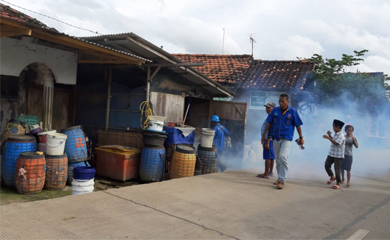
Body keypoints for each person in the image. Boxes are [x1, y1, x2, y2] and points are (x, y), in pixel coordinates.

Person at [261, 94, 304, 189]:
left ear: (287, 101)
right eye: (279, 101)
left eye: (283, 101)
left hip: (287, 138)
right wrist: (264, 135)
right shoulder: (275, 111)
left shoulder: (292, 111)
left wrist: (301, 137)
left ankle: (282, 180)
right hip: (276, 138)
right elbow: (268, 123)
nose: (281, 103)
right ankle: (280, 177)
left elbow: (298, 125)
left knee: (283, 157)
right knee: (278, 160)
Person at [323, 119, 346, 190]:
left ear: (338, 127)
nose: (333, 128)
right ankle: (332, 176)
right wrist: (330, 135)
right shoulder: (336, 134)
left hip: (338, 155)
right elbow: (334, 140)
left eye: (334, 126)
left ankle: (338, 184)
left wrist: (328, 138)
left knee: (337, 169)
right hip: (332, 153)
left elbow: (336, 143)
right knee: (327, 165)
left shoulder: (341, 135)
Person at [257, 101, 276, 179]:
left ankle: (266, 173)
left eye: (268, 107)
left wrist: (267, 140)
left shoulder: (272, 117)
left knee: (267, 156)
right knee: (271, 156)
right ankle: (270, 172)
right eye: (266, 107)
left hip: (269, 139)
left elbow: (271, 129)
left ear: (273, 108)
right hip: (271, 139)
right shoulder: (271, 116)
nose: (266, 109)